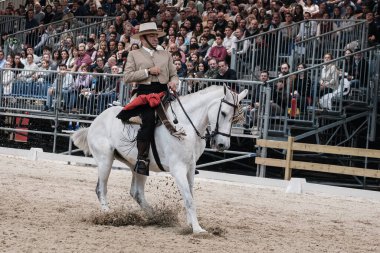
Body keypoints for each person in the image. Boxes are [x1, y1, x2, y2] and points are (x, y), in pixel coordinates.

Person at [117, 22, 178, 176]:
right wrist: (147, 71)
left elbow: (174, 74)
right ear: (143, 38)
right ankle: (142, 159)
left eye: (156, 35)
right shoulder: (134, 54)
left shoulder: (166, 54)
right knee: (149, 121)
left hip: (164, 93)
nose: (156, 38)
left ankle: (183, 158)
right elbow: (127, 77)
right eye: (152, 35)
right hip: (145, 94)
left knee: (180, 117)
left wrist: (174, 82)